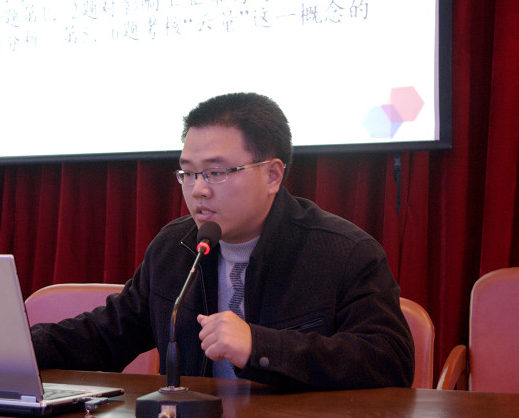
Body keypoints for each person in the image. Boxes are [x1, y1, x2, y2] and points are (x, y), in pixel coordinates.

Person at [31, 92, 414, 390]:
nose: (198, 190)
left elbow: (388, 360)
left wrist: (259, 347)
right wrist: (18, 346)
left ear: (272, 175)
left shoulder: (342, 252)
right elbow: (105, 334)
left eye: (215, 173)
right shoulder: (176, 248)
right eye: (188, 173)